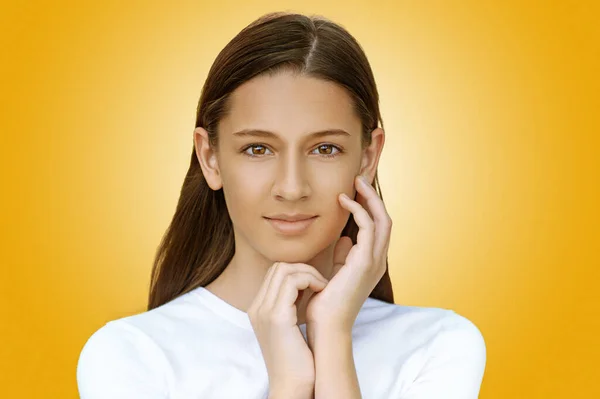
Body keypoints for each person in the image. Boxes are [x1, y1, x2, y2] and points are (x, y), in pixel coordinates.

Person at [76, 11, 486, 399]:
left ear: (367, 157)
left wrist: (333, 339)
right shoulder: (130, 356)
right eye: (258, 149)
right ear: (210, 158)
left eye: (325, 148)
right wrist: (289, 384)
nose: (291, 188)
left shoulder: (439, 345)